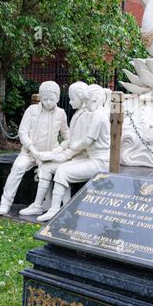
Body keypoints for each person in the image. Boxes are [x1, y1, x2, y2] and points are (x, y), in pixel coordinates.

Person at [37, 84, 111, 222]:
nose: (85, 104)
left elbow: (87, 140)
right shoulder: (95, 115)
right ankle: (62, 208)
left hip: (100, 162)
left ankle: (56, 209)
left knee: (63, 172)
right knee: (62, 169)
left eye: (87, 101)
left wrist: (74, 145)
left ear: (94, 100)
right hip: (94, 159)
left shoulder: (98, 116)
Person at [18, 81, 90, 217]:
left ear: (81, 97)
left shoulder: (86, 116)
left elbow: (81, 144)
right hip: (72, 155)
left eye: (72, 98)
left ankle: (56, 207)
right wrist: (58, 152)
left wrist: (59, 153)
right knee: (45, 166)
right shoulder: (78, 115)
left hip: (81, 158)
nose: (69, 102)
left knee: (55, 167)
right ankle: (39, 205)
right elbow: (71, 140)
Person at [0, 81, 68, 215]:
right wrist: (33, 150)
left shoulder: (61, 113)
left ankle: (46, 203)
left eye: (52, 99)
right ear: (40, 97)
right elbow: (22, 133)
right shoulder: (31, 110)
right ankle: (5, 203)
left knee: (50, 171)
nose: (48, 102)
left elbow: (67, 137)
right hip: (29, 153)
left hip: (49, 154)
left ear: (57, 98)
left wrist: (57, 151)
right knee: (17, 167)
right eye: (45, 99)